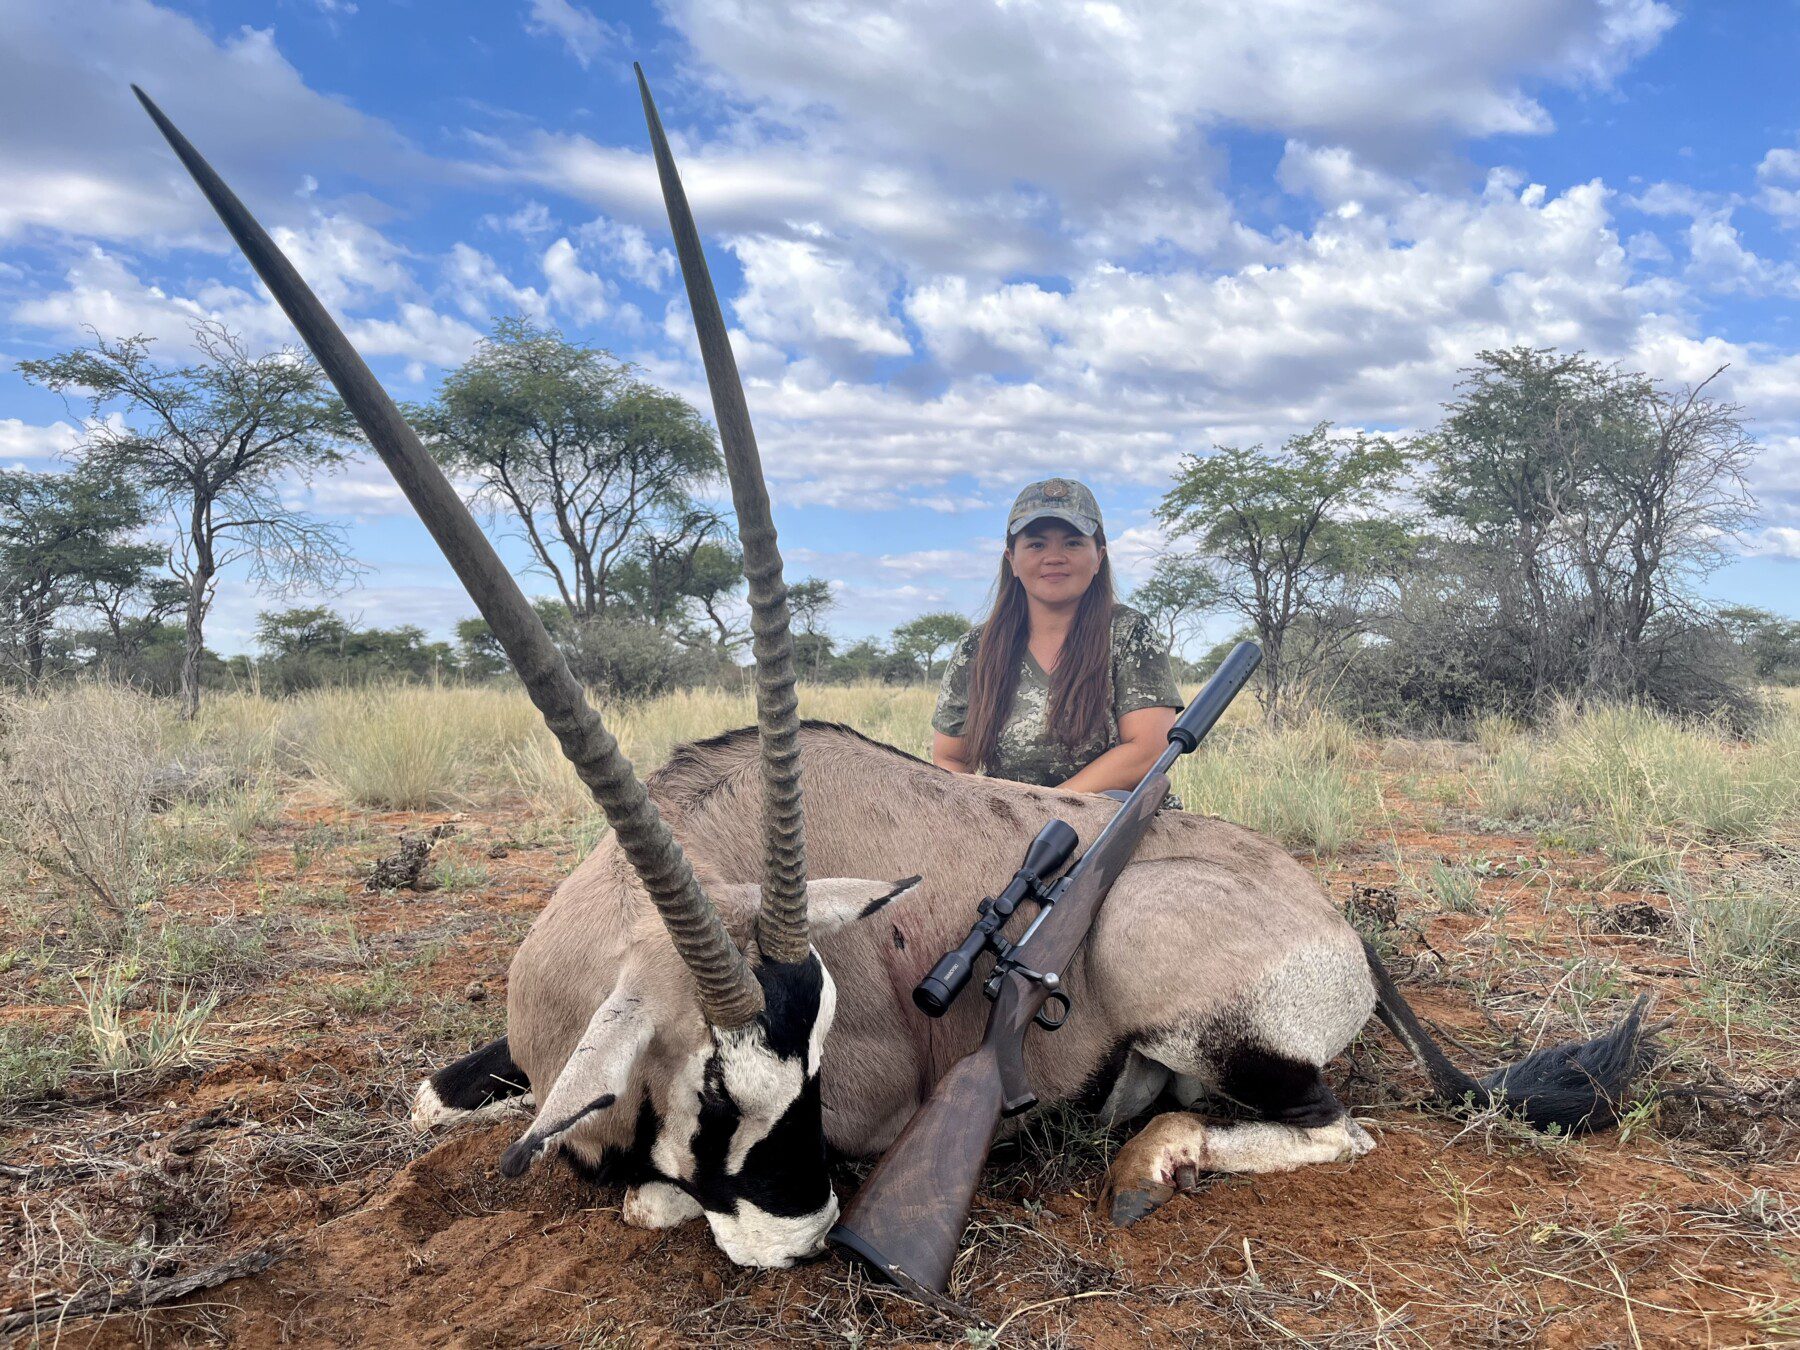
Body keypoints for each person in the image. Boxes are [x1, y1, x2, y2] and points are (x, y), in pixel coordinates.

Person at [932, 478, 1185, 799]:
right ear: (1011, 559)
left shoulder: (1129, 631)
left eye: (1073, 543)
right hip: (1009, 827)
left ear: (1099, 556)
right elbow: (951, 758)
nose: (1054, 556)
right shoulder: (976, 648)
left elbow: (1147, 750)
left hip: (1115, 825)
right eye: (1036, 544)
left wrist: (1048, 810)